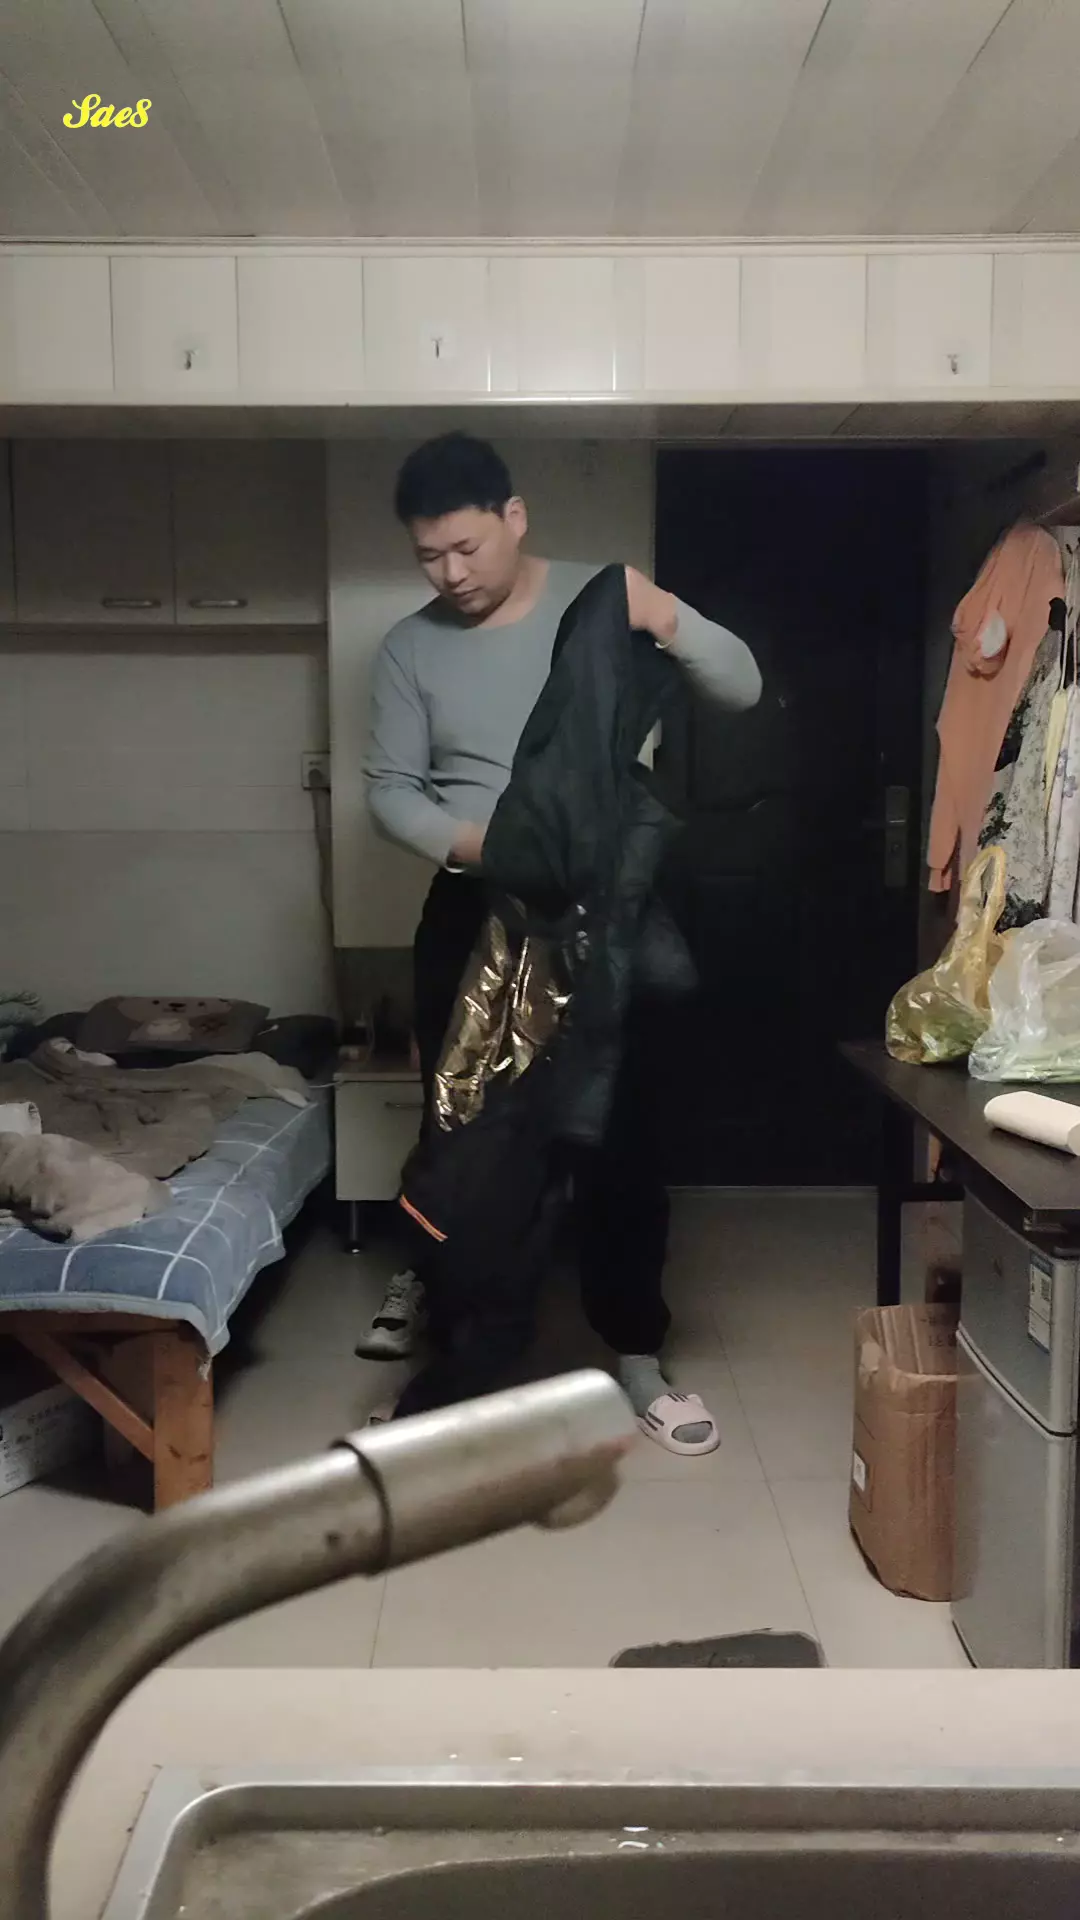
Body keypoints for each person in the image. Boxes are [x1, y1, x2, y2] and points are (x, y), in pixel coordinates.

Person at [357, 432, 761, 1454]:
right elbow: (390, 792)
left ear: (515, 517)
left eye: (466, 548)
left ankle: (636, 1353)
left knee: (623, 1137)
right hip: (475, 913)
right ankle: (460, 1361)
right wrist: (490, 846)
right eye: (429, 557)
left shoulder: (601, 602)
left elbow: (741, 686)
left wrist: (663, 615)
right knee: (469, 1145)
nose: (450, 574)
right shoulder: (409, 648)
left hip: (605, 915)